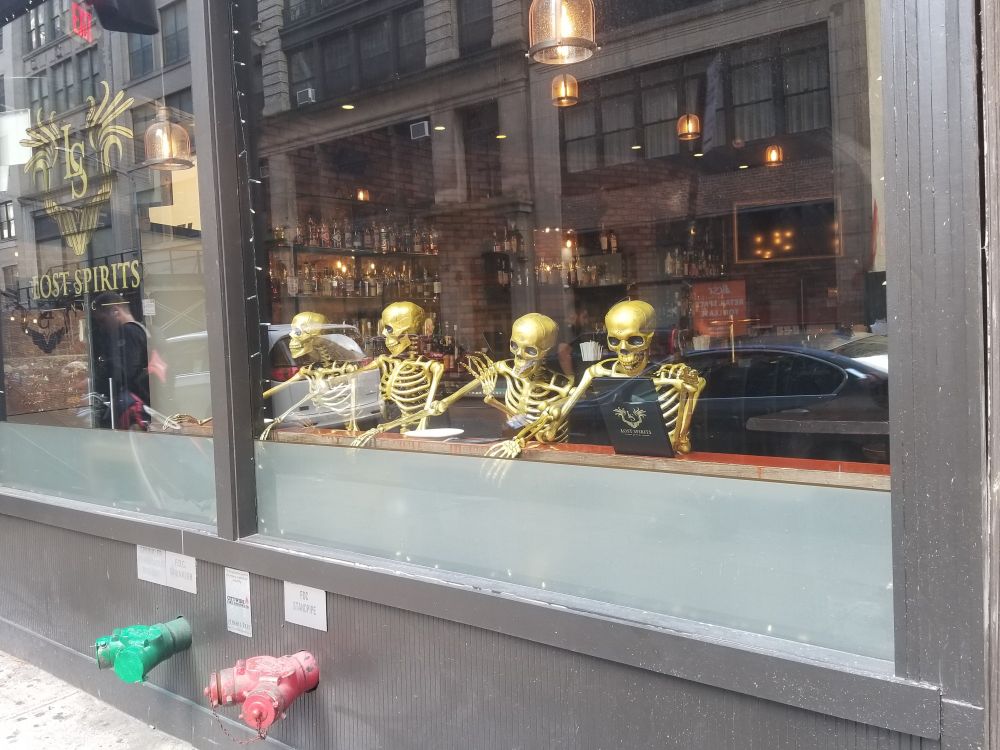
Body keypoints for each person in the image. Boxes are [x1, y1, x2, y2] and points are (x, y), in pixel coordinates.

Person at [91, 292, 151, 430]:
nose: (101, 327)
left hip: (136, 410)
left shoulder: (127, 333)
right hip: (147, 407)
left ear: (115, 311)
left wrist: (96, 380)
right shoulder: (142, 329)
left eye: (102, 320)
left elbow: (124, 374)